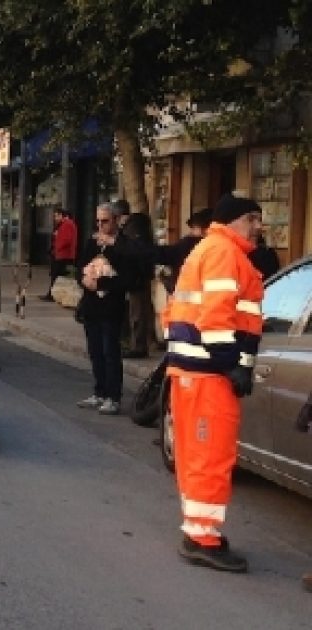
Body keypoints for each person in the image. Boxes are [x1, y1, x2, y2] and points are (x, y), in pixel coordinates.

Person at [161, 193, 264, 573]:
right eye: (251, 218)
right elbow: (217, 320)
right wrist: (232, 366)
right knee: (211, 456)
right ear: (232, 220)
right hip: (208, 374)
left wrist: (240, 365)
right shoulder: (223, 253)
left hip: (195, 372)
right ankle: (202, 538)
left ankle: (198, 529)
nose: (258, 226)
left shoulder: (215, 250)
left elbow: (179, 311)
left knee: (195, 455)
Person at [75, 202, 137, 415]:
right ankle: (99, 391)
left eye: (105, 221)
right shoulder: (92, 242)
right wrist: (84, 279)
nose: (101, 226)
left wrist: (102, 284)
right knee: (95, 351)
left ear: (116, 220)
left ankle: (113, 395)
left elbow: (129, 278)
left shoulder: (124, 245)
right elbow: (79, 265)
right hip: (92, 304)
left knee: (110, 351)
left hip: (111, 306)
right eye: (98, 221)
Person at [120, 210, 158, 359]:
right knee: (142, 311)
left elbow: (135, 258)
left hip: (137, 280)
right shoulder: (142, 236)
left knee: (137, 313)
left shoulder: (135, 237)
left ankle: (139, 345)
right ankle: (146, 341)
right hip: (140, 278)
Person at [159, 208, 212, 294]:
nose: (191, 232)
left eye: (194, 228)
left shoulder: (191, 244)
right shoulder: (197, 244)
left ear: (205, 230)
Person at [40, 209, 77, 301]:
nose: (55, 218)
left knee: (56, 275)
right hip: (60, 254)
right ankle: (52, 294)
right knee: (56, 275)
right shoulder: (63, 225)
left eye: (57, 216)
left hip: (63, 255)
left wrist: (57, 247)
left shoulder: (67, 224)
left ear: (62, 215)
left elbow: (66, 240)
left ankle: (52, 294)